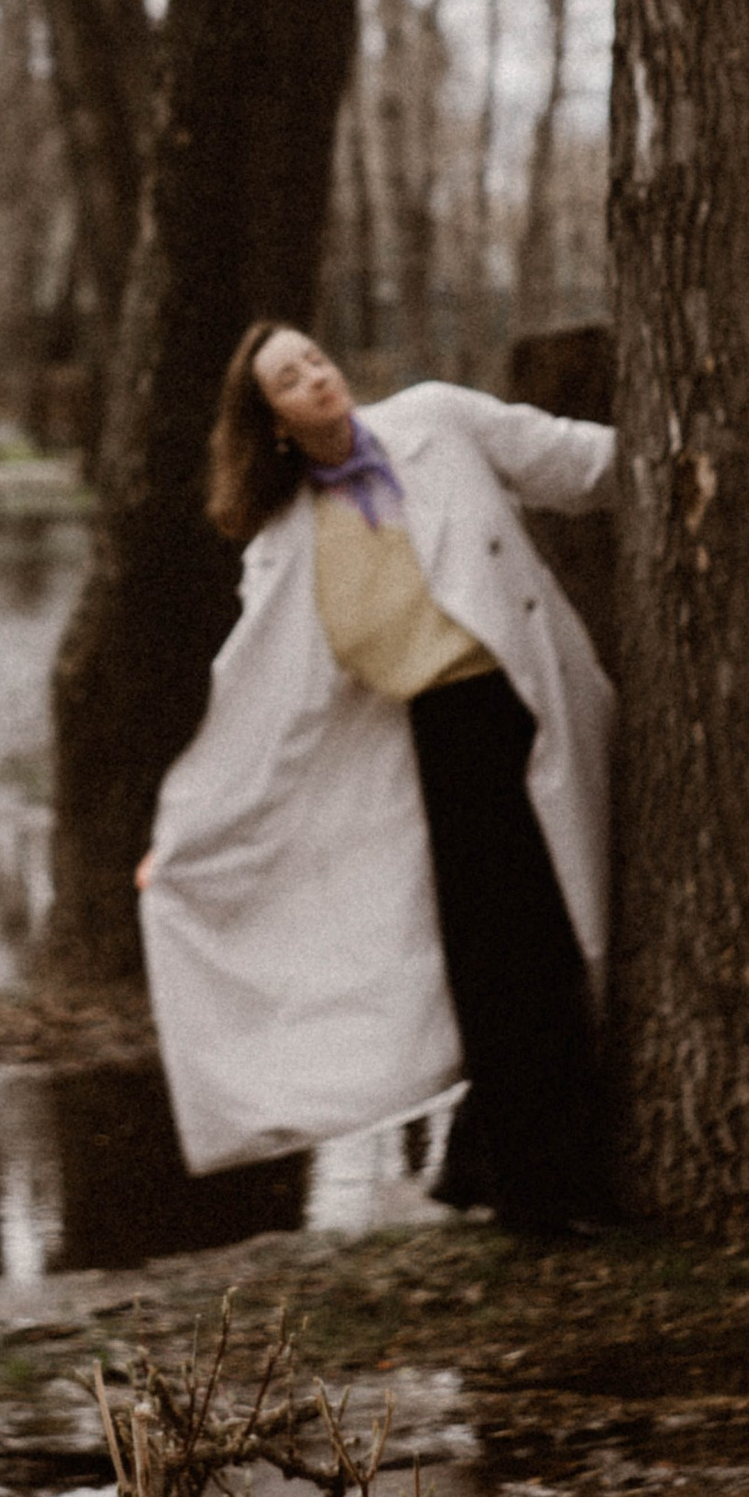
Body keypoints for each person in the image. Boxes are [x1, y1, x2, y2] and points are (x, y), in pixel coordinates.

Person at [137, 322, 616, 1232]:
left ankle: (530, 1171)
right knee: (489, 966)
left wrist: (695, 452)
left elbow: (568, 460)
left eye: (317, 359)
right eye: (290, 378)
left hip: (524, 703)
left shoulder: (437, 419)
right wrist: (183, 847)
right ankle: (534, 1187)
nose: (317, 378)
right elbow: (257, 713)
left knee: (555, 948)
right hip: (435, 742)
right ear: (269, 419)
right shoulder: (283, 543)